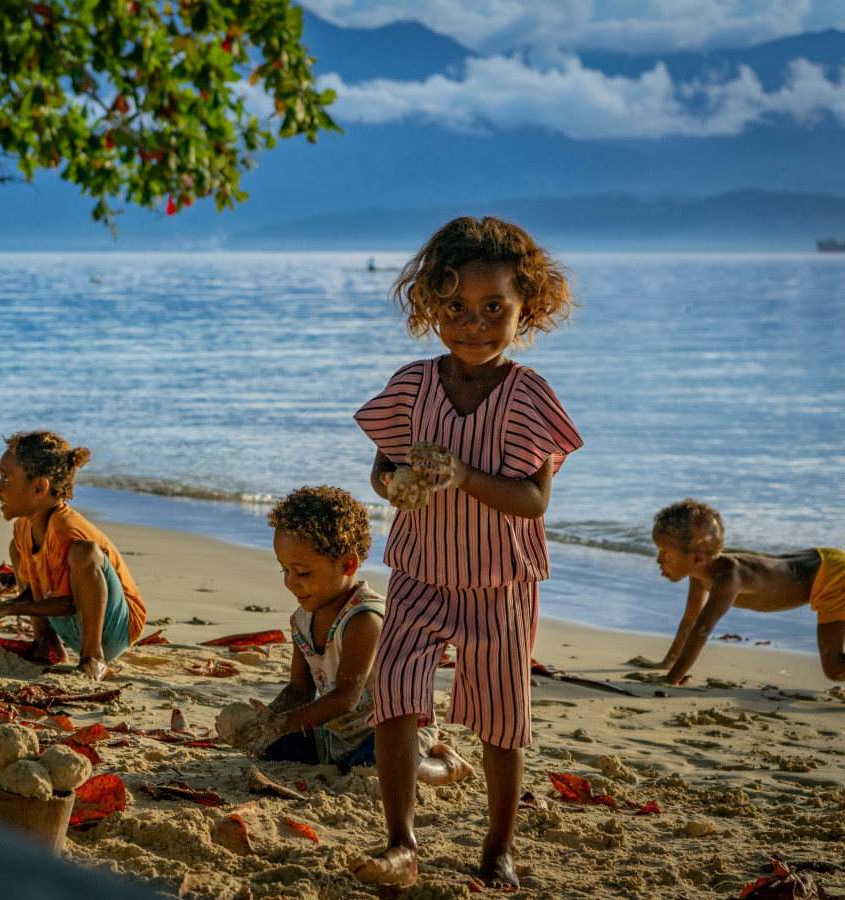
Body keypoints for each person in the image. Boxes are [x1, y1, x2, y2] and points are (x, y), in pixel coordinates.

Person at [350, 216, 583, 889]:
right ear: (430, 306)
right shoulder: (414, 385)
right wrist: (394, 484)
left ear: (525, 309)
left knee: (502, 719)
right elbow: (381, 468)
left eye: (493, 309)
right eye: (454, 307)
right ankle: (401, 839)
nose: (473, 325)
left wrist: (463, 475)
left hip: (500, 583)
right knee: (394, 696)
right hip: (420, 571)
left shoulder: (528, 396)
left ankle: (499, 846)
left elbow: (535, 502)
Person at [235, 485, 477, 784]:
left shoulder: (364, 618)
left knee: (369, 766)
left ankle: (449, 766)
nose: (291, 582)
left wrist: (284, 723)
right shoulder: (301, 620)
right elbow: (300, 690)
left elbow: (345, 700)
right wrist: (268, 720)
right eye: (284, 570)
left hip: (391, 732)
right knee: (268, 748)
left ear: (348, 564)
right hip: (335, 732)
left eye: (303, 572)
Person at [0, 431, 147, 681]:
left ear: (39, 487)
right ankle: (45, 642)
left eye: (6, 478)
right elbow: (41, 593)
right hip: (73, 627)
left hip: (115, 628)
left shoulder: (66, 530)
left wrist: (8, 608)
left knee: (85, 552)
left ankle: (93, 657)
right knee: (15, 548)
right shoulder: (23, 528)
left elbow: (70, 602)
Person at [640, 498, 845, 684]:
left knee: (834, 669)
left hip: (832, 579)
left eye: (665, 552)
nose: (659, 560)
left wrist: (671, 680)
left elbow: (702, 629)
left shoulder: (729, 576)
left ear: (697, 559)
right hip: (822, 558)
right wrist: (667, 664)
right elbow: (690, 621)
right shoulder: (700, 570)